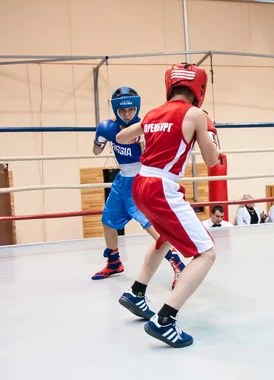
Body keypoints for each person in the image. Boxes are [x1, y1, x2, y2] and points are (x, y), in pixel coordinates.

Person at [114, 63, 219, 348]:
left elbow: (122, 137)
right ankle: (165, 319)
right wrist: (210, 134)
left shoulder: (152, 113)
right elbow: (212, 161)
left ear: (170, 86)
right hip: (162, 187)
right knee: (206, 253)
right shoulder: (196, 114)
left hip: (140, 183)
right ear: (199, 89)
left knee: (165, 239)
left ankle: (136, 293)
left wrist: (144, 135)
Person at [91, 86, 185, 289]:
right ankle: (114, 262)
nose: (127, 114)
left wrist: (145, 144)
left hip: (141, 180)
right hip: (121, 180)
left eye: (131, 110)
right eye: (123, 111)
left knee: (153, 228)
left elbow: (156, 157)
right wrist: (100, 138)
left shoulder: (146, 126)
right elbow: (96, 152)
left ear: (137, 108)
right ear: (116, 110)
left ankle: (179, 266)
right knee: (108, 221)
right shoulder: (108, 127)